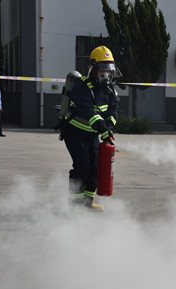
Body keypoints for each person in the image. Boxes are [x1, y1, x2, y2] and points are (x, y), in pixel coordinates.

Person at [59, 45, 119, 211]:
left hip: (92, 135)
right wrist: (104, 130)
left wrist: (109, 126)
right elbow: (89, 112)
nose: (106, 74)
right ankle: (74, 205)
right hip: (75, 133)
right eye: (102, 70)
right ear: (93, 69)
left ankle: (87, 202)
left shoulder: (110, 90)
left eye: (109, 70)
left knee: (95, 168)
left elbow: (113, 111)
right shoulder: (81, 87)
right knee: (82, 166)